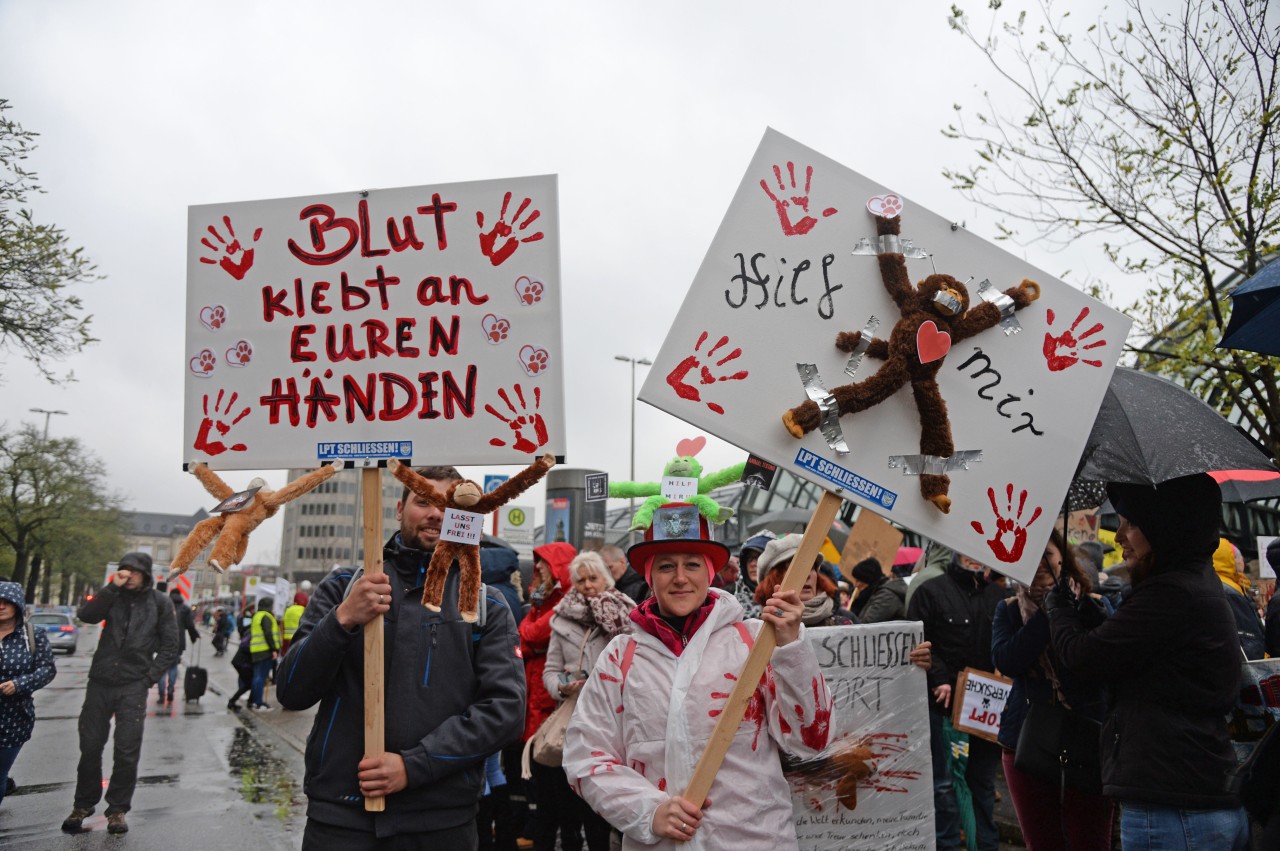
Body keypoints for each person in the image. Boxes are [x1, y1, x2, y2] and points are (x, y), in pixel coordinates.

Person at [277, 463, 525, 848]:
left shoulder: (483, 603)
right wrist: (343, 619)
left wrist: (415, 766)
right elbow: (291, 691)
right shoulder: (344, 587)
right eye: (423, 500)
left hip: (439, 822)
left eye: (446, 503)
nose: (435, 513)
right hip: (341, 817)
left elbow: (505, 711)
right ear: (398, 508)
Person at [563, 504, 832, 849]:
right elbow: (587, 755)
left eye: (692, 564)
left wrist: (792, 649)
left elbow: (811, 739)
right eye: (665, 567)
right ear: (649, 576)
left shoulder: (756, 642)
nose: (679, 577)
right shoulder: (620, 658)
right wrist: (648, 812)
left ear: (710, 573)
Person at [1047, 474, 1248, 850]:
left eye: (1132, 522)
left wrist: (1058, 611)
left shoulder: (1172, 593)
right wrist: (1089, 619)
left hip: (1174, 807)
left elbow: (1084, 657)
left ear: (1165, 526)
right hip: (1185, 795)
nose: (1119, 534)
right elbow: (1134, 655)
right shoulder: (1185, 583)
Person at [992, 530, 1112, 851]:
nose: (1040, 562)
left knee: (1091, 840)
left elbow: (1109, 666)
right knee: (1043, 842)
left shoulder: (1095, 604)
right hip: (1026, 740)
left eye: (1047, 553)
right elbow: (1008, 660)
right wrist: (1048, 614)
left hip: (1088, 738)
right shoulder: (1008, 609)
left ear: (1063, 556)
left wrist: (1078, 613)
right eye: (1029, 555)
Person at [63, 552, 178, 835]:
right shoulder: (111, 596)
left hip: (133, 684)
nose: (128, 574)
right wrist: (112, 586)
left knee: (127, 749)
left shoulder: (159, 603)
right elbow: (87, 615)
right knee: (90, 745)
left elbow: (170, 645)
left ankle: (117, 809)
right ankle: (83, 804)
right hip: (100, 681)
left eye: (134, 571)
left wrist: (148, 678)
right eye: (124, 569)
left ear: (146, 575)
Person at [906, 549, 1009, 851]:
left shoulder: (1000, 597)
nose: (974, 557)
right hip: (942, 709)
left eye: (980, 550)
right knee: (944, 787)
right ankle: (947, 845)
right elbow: (916, 646)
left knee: (983, 787)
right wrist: (938, 677)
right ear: (953, 551)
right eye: (967, 550)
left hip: (985, 712)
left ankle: (985, 845)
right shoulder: (930, 592)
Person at [539, 551, 636, 851]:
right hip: (573, 720)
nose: (587, 586)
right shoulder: (561, 619)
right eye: (580, 580)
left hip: (613, 720)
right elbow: (550, 671)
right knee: (568, 808)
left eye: (593, 578)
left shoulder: (627, 614)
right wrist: (561, 687)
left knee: (601, 813)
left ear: (606, 579)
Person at [519, 541, 579, 851]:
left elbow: (529, 635)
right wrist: (529, 644)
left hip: (554, 707)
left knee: (560, 797)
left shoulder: (563, 603)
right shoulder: (543, 600)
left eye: (543, 563)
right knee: (545, 795)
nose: (538, 568)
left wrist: (528, 644)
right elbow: (524, 636)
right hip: (539, 701)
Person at [0, 580, 56, 805]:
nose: (1, 606)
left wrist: (19, 684)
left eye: (7, 602)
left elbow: (47, 669)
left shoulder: (33, 635)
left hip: (14, 719)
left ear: (18, 605)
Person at [754, 534, 856, 627]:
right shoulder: (756, 631)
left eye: (811, 567)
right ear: (772, 581)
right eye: (794, 568)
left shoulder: (843, 625)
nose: (807, 575)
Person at [1212, 538, 1267, 660]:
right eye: (1238, 557)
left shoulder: (1212, 584)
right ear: (1230, 560)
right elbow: (1249, 643)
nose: (1242, 561)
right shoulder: (1231, 592)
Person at [158, 588, 200, 705]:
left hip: (163, 642)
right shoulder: (185, 608)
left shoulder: (163, 606)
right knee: (173, 667)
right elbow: (190, 625)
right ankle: (170, 689)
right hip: (178, 642)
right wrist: (193, 636)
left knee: (162, 669)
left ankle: (161, 695)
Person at [848, 557, 908, 623]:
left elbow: (867, 624)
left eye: (858, 580)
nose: (855, 585)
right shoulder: (875, 592)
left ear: (868, 579)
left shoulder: (886, 596)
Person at [734, 532, 774, 619]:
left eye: (759, 557)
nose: (752, 564)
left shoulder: (788, 599)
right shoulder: (732, 606)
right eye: (749, 558)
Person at [248, 596, 278, 710]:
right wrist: (273, 649)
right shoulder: (266, 616)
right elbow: (268, 633)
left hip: (256, 650)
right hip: (264, 650)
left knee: (257, 676)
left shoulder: (257, 615)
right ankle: (259, 702)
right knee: (261, 677)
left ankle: (254, 701)